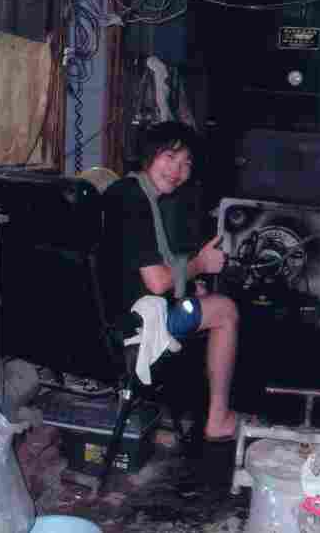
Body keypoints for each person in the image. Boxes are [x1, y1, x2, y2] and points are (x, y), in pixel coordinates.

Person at [101, 121, 239, 442]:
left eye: (186, 163)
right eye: (170, 157)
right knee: (226, 311)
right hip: (133, 325)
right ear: (149, 155)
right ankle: (217, 420)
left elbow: (142, 267)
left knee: (201, 299)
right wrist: (201, 264)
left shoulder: (127, 191)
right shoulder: (134, 200)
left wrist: (188, 284)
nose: (177, 170)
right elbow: (157, 283)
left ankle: (183, 409)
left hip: (109, 315)